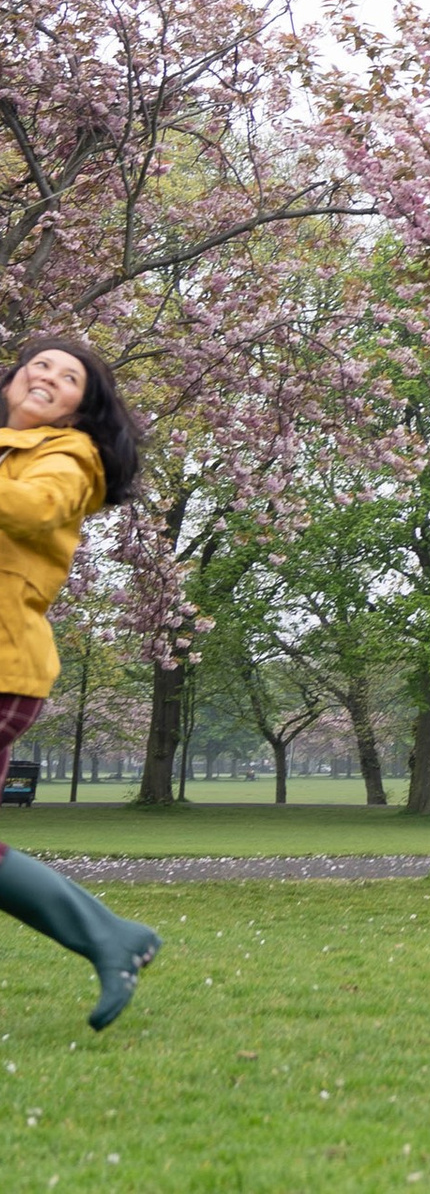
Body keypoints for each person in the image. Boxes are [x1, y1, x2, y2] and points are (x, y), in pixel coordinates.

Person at [0, 343, 160, 1027]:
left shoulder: (68, 460)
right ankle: (110, 937)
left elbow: (35, 511)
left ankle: (108, 935)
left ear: (79, 410)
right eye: (39, 365)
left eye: (69, 379)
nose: (49, 377)